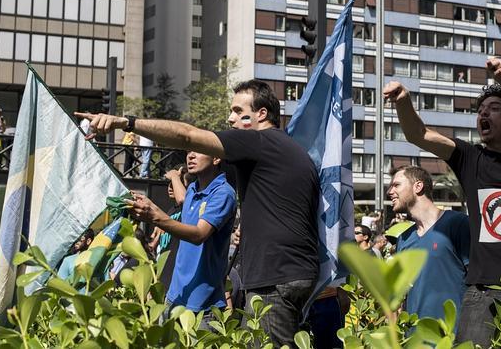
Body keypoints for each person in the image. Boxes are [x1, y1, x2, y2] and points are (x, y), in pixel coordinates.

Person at [75, 79, 319, 347]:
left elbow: (187, 135)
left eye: (239, 111)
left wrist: (125, 123)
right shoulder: (292, 150)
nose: (230, 118)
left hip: (273, 278)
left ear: (261, 115)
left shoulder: (258, 141)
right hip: (295, 273)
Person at [384, 56, 501, 344]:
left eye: (493, 108)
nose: (483, 115)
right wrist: (403, 101)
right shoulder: (469, 158)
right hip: (482, 290)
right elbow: (419, 134)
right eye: (480, 111)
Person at [126, 150, 236, 322]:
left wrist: (156, 217)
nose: (190, 155)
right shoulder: (193, 188)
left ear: (215, 158)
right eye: (189, 151)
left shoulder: (223, 193)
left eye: (198, 150)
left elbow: (200, 234)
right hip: (174, 296)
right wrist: (150, 206)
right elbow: (182, 201)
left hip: (203, 306)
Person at [388, 165, 470, 327]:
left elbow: (478, 285)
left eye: (396, 185)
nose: (390, 192)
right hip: (414, 339)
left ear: (418, 186)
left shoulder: (458, 223)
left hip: (452, 337)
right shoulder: (403, 239)